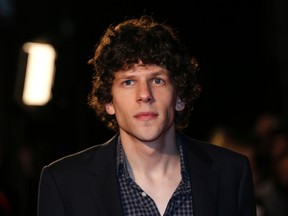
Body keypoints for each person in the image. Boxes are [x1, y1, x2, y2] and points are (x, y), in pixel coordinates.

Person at [37, 15, 256, 216]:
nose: (144, 95)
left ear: (179, 96)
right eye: (128, 82)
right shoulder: (64, 183)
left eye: (157, 80)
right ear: (108, 101)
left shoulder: (231, 173)